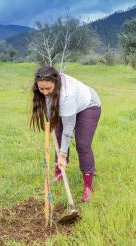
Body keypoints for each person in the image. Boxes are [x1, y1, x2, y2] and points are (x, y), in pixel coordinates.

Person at [30, 66, 101, 202]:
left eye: (48, 89)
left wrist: (63, 154)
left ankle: (88, 185)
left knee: (82, 144)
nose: (45, 92)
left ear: (56, 84)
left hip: (88, 106)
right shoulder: (47, 89)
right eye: (41, 89)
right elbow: (48, 105)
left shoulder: (67, 95)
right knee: (58, 135)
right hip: (67, 104)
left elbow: (68, 129)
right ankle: (59, 174)